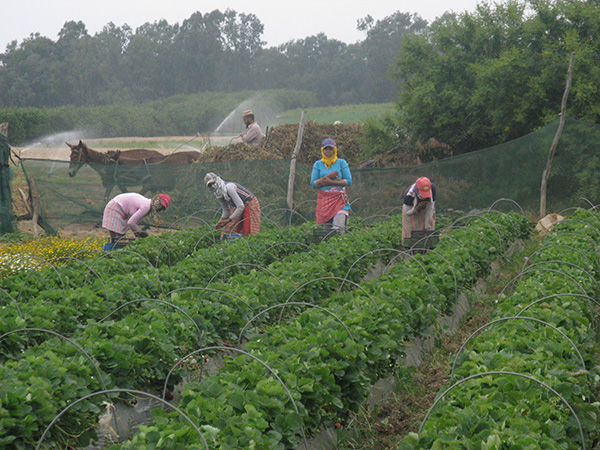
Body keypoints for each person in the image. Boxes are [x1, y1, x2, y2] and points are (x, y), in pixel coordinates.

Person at [311, 138, 352, 233]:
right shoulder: (318, 164)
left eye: (331, 149)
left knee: (338, 229)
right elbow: (314, 183)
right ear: (322, 150)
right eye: (326, 149)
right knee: (325, 231)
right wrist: (328, 176)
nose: (328, 151)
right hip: (324, 201)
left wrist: (332, 182)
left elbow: (348, 181)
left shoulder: (341, 163)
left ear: (334, 150)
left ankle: (339, 244)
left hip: (339, 200)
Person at [204, 172, 261, 238]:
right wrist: (222, 221)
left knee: (249, 229)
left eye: (213, 183)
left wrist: (229, 220)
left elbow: (240, 206)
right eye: (210, 185)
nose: (212, 186)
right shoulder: (218, 194)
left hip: (250, 203)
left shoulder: (229, 187)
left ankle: (249, 241)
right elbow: (226, 209)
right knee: (229, 227)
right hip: (239, 206)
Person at [102, 192, 171, 243]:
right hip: (115, 207)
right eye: (159, 205)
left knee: (120, 237)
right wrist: (141, 233)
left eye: (161, 208)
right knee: (118, 238)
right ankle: (113, 254)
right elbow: (131, 222)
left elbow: (134, 223)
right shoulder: (146, 206)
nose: (159, 209)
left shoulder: (148, 208)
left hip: (120, 209)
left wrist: (138, 235)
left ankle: (114, 252)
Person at [402, 176, 436, 246]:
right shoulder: (409, 195)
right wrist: (417, 209)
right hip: (411, 211)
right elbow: (407, 212)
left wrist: (428, 225)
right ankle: (411, 248)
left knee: (428, 230)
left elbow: (430, 207)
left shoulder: (432, 188)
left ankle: (427, 246)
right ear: (417, 189)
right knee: (410, 231)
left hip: (427, 209)